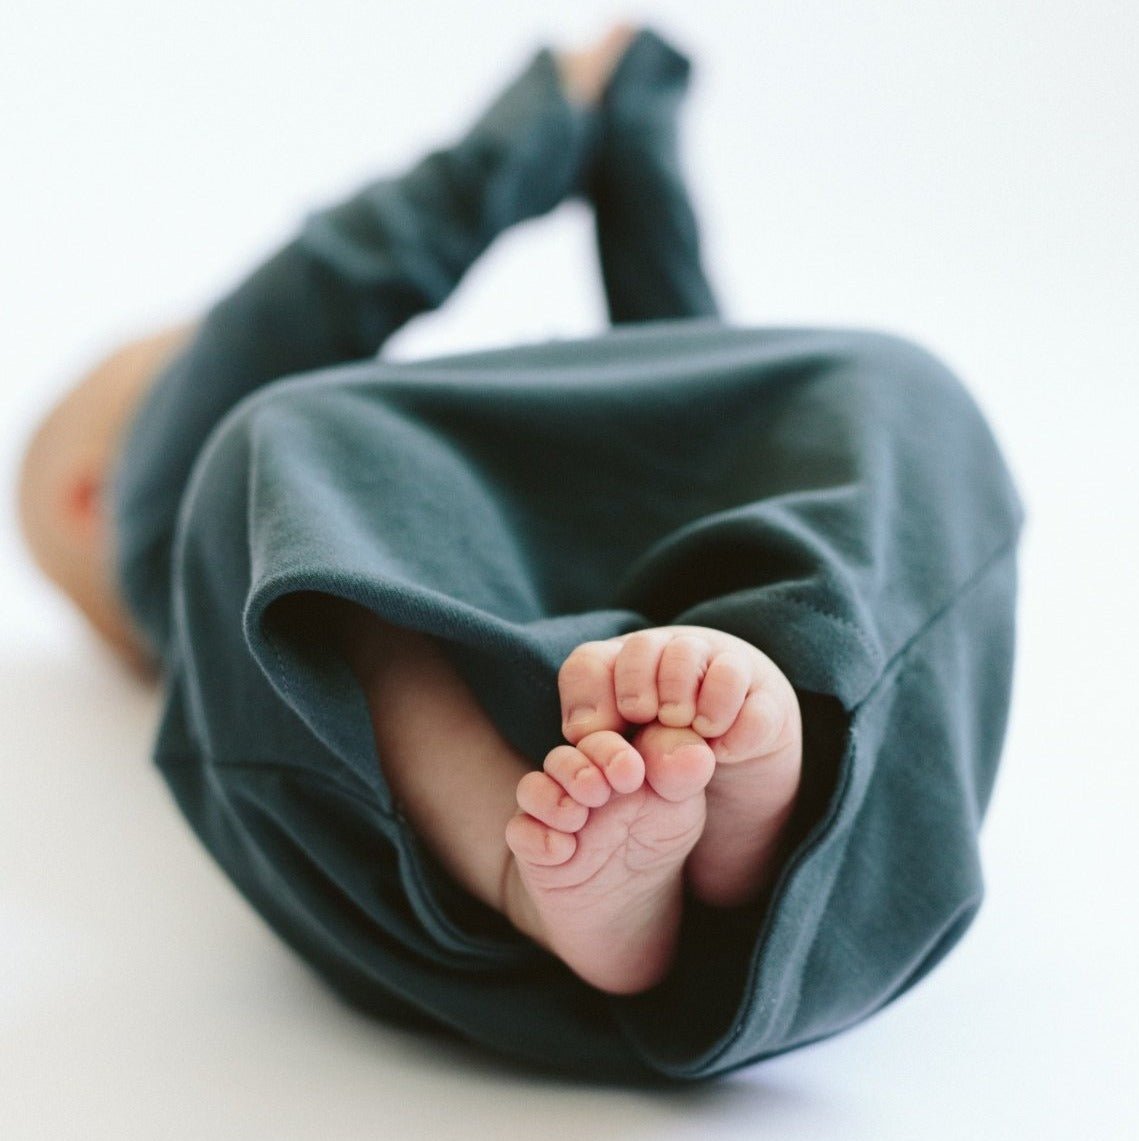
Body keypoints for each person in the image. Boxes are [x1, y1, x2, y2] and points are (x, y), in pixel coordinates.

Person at [17, 24, 1024, 1082]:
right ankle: (532, 855)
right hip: (483, 825)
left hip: (632, 667)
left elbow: (684, 370)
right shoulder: (178, 522)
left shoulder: (410, 494)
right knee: (269, 462)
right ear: (91, 499)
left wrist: (631, 145)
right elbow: (317, 291)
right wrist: (538, 120)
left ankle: (758, 774)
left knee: (880, 388)